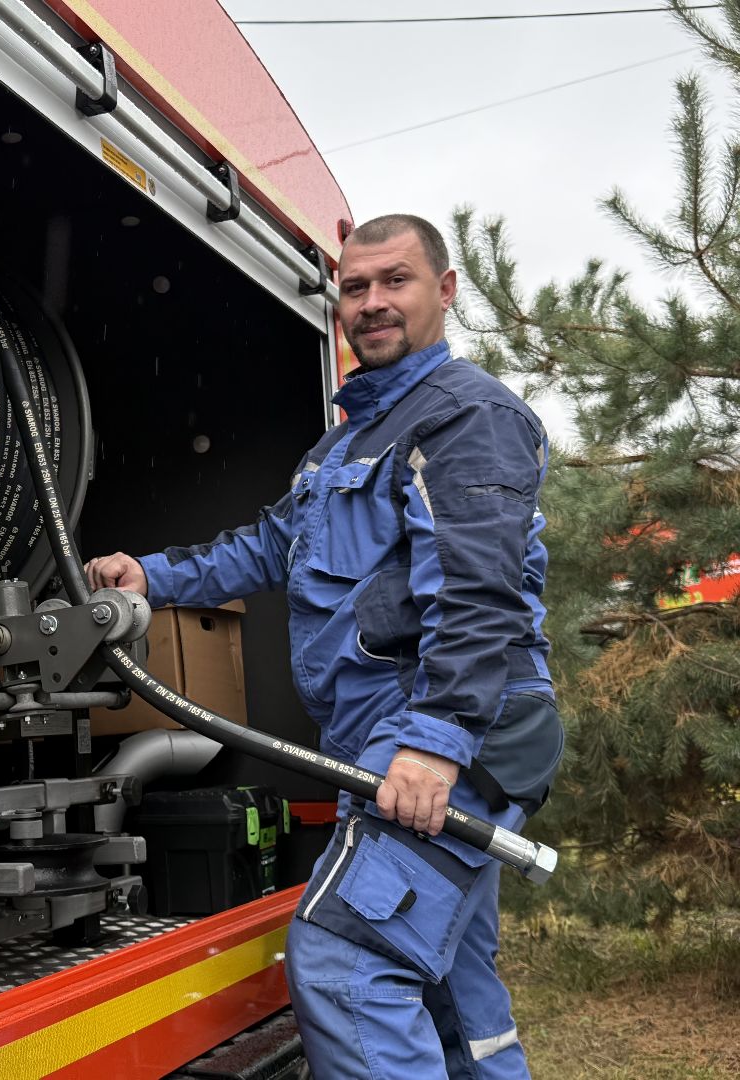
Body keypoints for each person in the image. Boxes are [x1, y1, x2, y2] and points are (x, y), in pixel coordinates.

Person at [85, 214, 563, 1079]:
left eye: (396, 281)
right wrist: (145, 577)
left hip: (452, 733)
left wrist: (434, 745)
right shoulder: (347, 442)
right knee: (448, 986)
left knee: (348, 963)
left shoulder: (470, 418)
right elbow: (269, 548)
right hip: (396, 741)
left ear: (446, 290)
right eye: (355, 287)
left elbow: (479, 596)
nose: (373, 303)